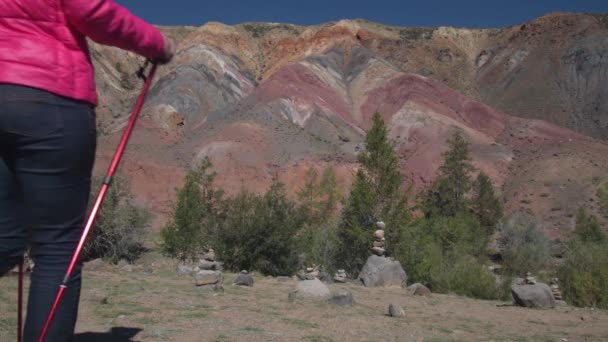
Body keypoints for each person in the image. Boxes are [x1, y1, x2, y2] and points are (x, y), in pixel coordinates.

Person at [0, 1, 175, 340]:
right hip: (50, 99)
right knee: (57, 249)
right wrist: (157, 44)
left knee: (4, 239)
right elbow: (90, 10)